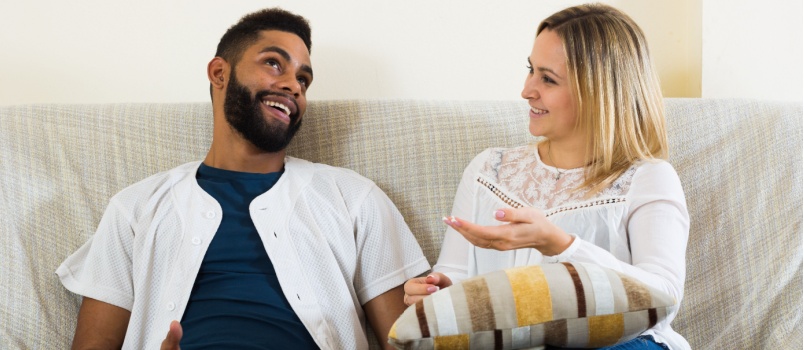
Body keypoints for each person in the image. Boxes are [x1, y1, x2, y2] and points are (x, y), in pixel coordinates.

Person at [56, 8, 430, 350]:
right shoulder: (135, 208)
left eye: (304, 79)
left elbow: (406, 341)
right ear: (220, 73)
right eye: (274, 64)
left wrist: (440, 319)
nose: (294, 86)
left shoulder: (354, 198)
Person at [403, 4, 690, 350]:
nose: (527, 90)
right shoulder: (487, 171)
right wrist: (437, 293)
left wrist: (562, 245)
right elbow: (456, 274)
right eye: (530, 70)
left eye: (547, 79)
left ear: (598, 92)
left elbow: (664, 297)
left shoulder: (647, 178)